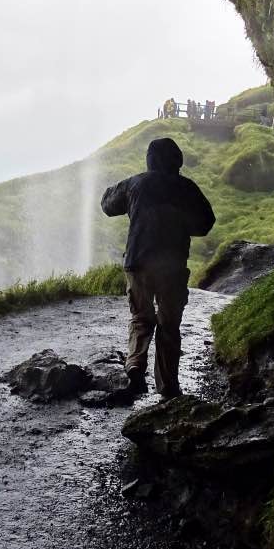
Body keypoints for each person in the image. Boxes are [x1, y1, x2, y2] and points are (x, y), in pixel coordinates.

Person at [99, 138, 215, 398]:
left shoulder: (135, 183)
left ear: (150, 159)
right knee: (169, 325)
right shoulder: (187, 187)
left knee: (141, 318)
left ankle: (135, 366)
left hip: (137, 262)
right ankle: (168, 387)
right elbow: (206, 223)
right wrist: (182, 225)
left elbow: (108, 205)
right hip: (172, 266)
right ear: (177, 160)